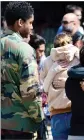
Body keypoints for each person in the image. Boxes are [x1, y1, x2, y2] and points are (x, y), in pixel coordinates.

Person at [1, 2, 43, 139]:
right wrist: (39, 117)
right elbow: (30, 90)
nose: (31, 27)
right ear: (20, 22)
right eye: (30, 23)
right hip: (20, 125)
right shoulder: (24, 49)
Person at [40, 33, 79, 140]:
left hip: (56, 113)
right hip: (75, 112)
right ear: (70, 43)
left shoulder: (47, 62)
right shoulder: (78, 59)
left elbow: (43, 88)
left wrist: (53, 72)